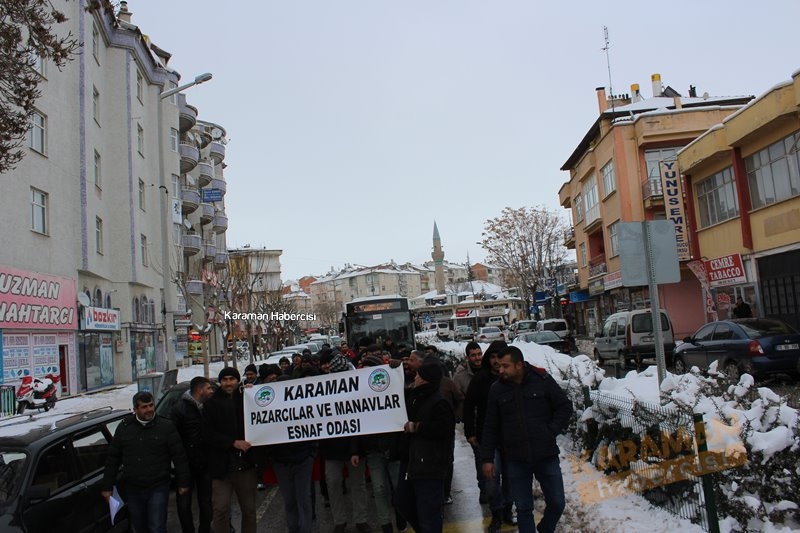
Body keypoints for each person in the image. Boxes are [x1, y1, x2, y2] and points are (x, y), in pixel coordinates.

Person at [480, 346, 573, 533]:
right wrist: (487, 458)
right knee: (523, 508)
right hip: (515, 458)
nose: (501, 370)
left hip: (545, 454)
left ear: (519, 365)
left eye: (505, 366)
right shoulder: (497, 390)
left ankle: (546, 528)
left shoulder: (542, 380)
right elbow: (490, 426)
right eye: (499, 366)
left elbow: (564, 406)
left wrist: (550, 430)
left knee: (557, 502)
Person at [101, 391, 190, 533]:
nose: (149, 410)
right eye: (144, 407)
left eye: (151, 405)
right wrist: (107, 486)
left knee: (157, 526)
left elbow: (179, 456)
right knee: (139, 525)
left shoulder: (166, 426)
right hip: (133, 487)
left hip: (158, 485)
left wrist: (183, 482)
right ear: (135, 410)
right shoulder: (125, 428)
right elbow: (113, 458)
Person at [394, 359, 455, 533]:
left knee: (429, 512)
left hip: (429, 464)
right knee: (402, 501)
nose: (416, 377)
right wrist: (391, 369)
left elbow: (445, 429)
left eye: (419, 375)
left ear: (426, 379)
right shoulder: (415, 396)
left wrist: (417, 427)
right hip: (411, 461)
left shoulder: (439, 402)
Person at [318, 354, 370, 533]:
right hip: (331, 448)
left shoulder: (357, 388)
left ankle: (361, 519)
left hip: (355, 447)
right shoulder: (322, 389)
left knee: (358, 484)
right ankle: (339, 520)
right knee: (333, 484)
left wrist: (355, 449)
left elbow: (359, 419)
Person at [463, 340, 512, 526]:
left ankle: (508, 509)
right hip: (487, 437)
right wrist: (470, 433)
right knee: (491, 477)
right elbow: (469, 406)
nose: (496, 361)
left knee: (510, 477)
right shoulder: (480, 379)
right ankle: (497, 512)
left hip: (510, 437)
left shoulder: (512, 377)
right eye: (492, 357)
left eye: (500, 357)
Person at [204, 367, 257, 533]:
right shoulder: (211, 404)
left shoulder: (246, 399)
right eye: (225, 379)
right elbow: (207, 434)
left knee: (249, 510)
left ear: (237, 380)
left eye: (232, 379)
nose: (228, 383)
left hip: (245, 465)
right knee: (220, 510)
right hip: (222, 468)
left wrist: (253, 393)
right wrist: (232, 442)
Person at [170, 376, 215, 533]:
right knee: (184, 504)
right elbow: (173, 440)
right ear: (200, 390)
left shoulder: (209, 406)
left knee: (206, 501)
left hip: (205, 464)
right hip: (185, 466)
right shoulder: (179, 409)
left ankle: (205, 529)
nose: (211, 391)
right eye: (209, 388)